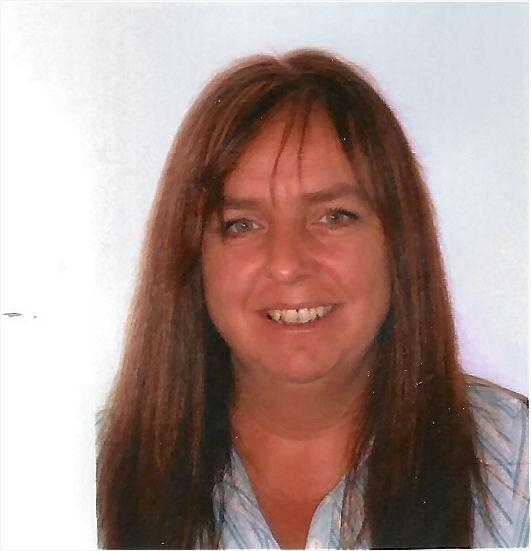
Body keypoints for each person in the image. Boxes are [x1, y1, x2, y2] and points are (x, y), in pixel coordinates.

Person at [96, 49, 529, 549]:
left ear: (398, 243)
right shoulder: (86, 471)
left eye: (334, 216)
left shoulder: (516, 463)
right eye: (242, 224)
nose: (287, 263)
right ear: (192, 260)